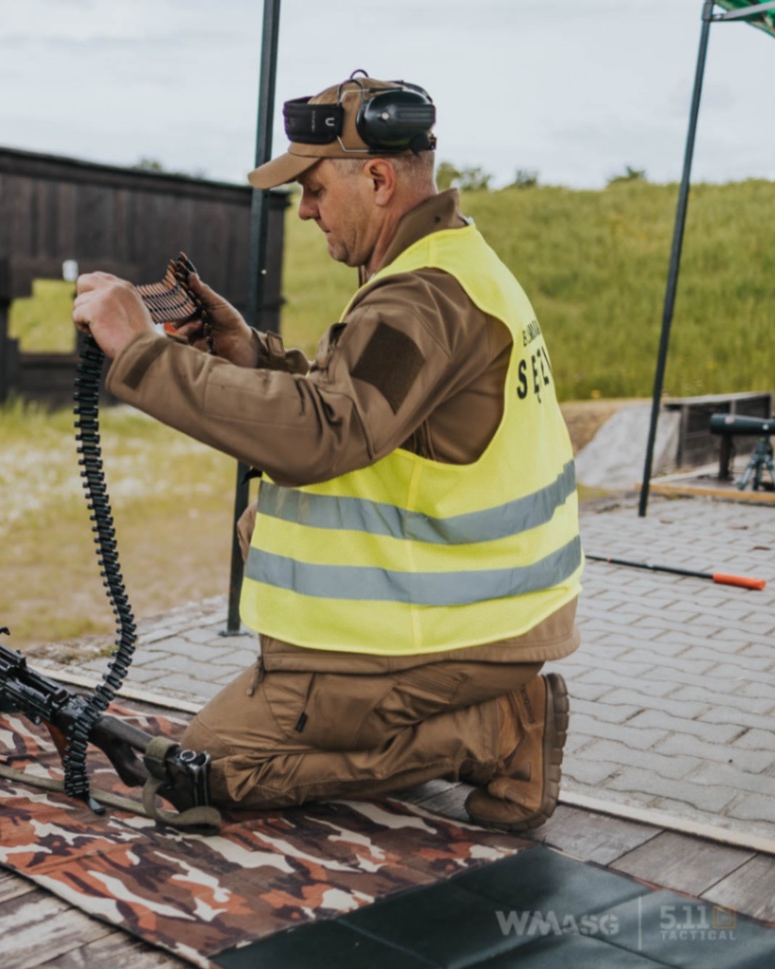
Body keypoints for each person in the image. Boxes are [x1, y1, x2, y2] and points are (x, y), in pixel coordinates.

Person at [71, 72, 579, 832]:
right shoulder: (444, 269)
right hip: (469, 621)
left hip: (432, 635)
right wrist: (246, 352)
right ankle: (489, 710)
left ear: (375, 179)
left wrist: (140, 353)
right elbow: (363, 404)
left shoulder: (422, 296)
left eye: (311, 187)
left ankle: (497, 728)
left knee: (206, 771)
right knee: (209, 758)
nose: (304, 210)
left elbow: (324, 433)